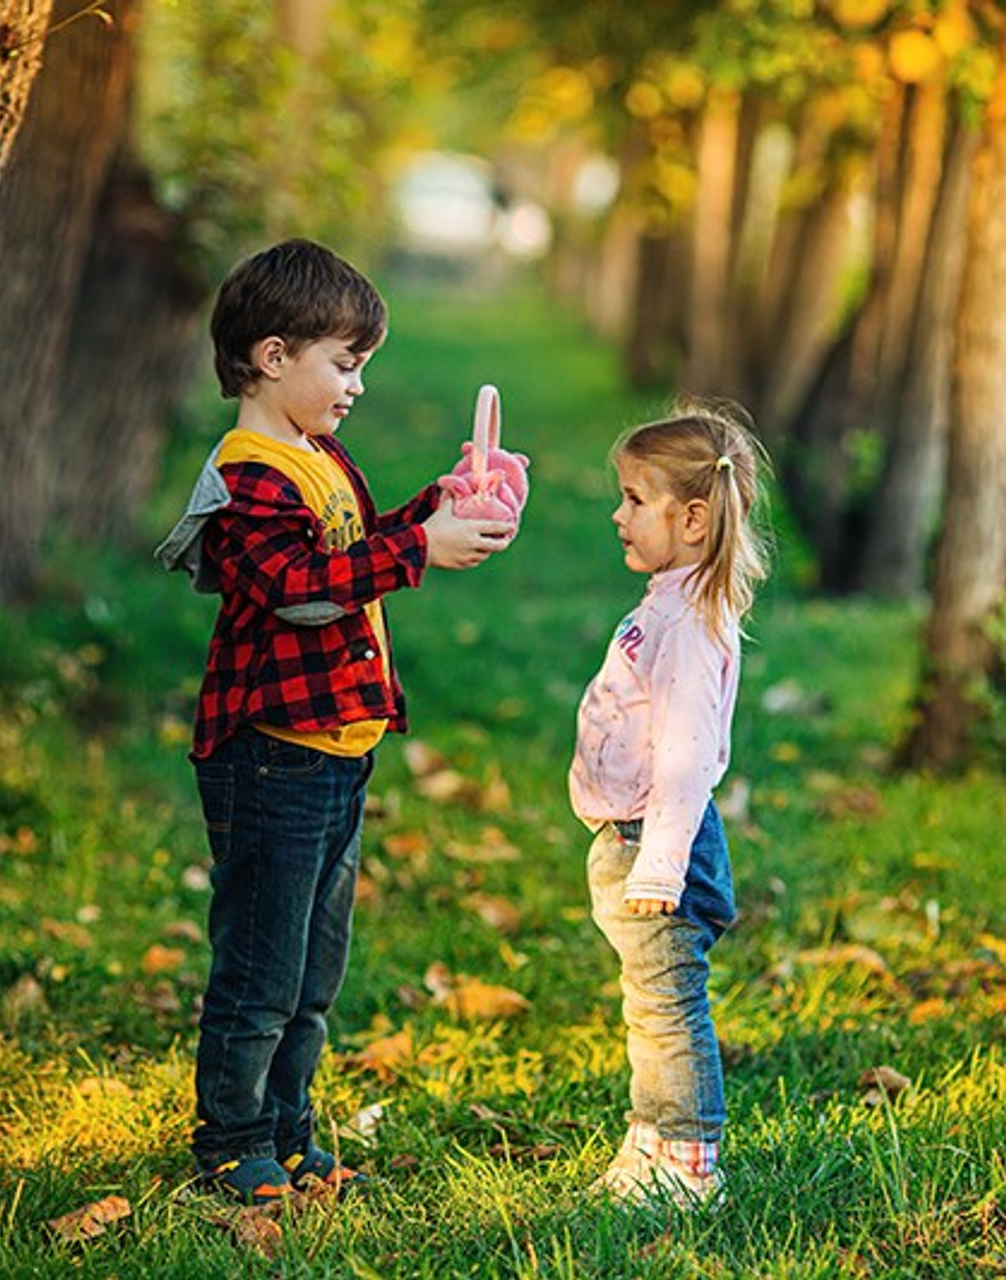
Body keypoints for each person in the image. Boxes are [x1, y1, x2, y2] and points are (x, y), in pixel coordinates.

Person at [156, 239, 516, 1205]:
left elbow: (350, 546)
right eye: (344, 363)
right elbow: (295, 587)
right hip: (271, 755)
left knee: (314, 969)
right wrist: (418, 551)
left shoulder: (317, 455)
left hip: (337, 751)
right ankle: (231, 1145)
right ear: (273, 357)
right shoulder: (251, 474)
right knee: (261, 968)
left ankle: (288, 1132)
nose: (356, 385)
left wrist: (435, 508)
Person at [568, 397, 771, 1208]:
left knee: (665, 1006)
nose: (618, 514)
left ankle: (687, 1164)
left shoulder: (687, 623)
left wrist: (659, 863)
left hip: (657, 841)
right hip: (635, 836)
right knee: (647, 1003)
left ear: (692, 519)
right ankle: (651, 1141)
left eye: (633, 499)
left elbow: (686, 759)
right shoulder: (673, 600)